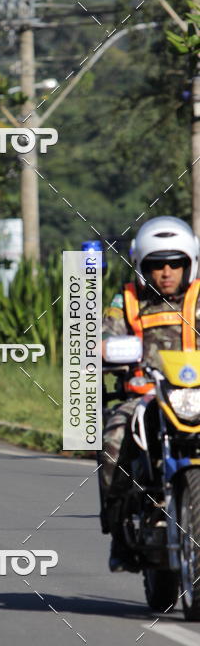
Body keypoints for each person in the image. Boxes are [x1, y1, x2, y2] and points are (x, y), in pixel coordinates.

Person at [100, 216, 200, 571]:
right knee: (113, 440)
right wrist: (106, 350)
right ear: (143, 266)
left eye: (176, 263)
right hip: (143, 397)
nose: (167, 271)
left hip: (194, 396)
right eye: (157, 265)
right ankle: (117, 534)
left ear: (190, 264)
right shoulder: (126, 299)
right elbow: (105, 339)